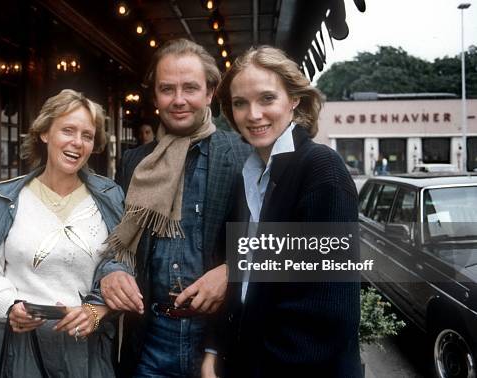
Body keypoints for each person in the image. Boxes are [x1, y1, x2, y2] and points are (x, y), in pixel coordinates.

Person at [94, 38, 251, 378]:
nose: (178, 100)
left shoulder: (242, 153)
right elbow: (121, 240)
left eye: (190, 88)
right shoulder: (136, 160)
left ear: (210, 93)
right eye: (167, 89)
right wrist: (113, 271)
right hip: (149, 341)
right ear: (155, 96)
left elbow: (271, 238)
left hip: (217, 344)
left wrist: (231, 270)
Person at [213, 46, 361, 376]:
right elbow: (242, 280)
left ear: (293, 99)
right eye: (240, 103)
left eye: (267, 98)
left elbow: (327, 313)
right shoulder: (248, 176)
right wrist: (216, 350)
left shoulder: (322, 169)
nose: (253, 114)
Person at [0, 89, 124, 378]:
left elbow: (123, 265)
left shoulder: (110, 198)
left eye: (86, 135)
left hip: (84, 351)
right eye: (67, 130)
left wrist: (96, 311)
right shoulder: (5, 198)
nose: (77, 142)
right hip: (19, 350)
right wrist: (9, 306)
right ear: (45, 132)